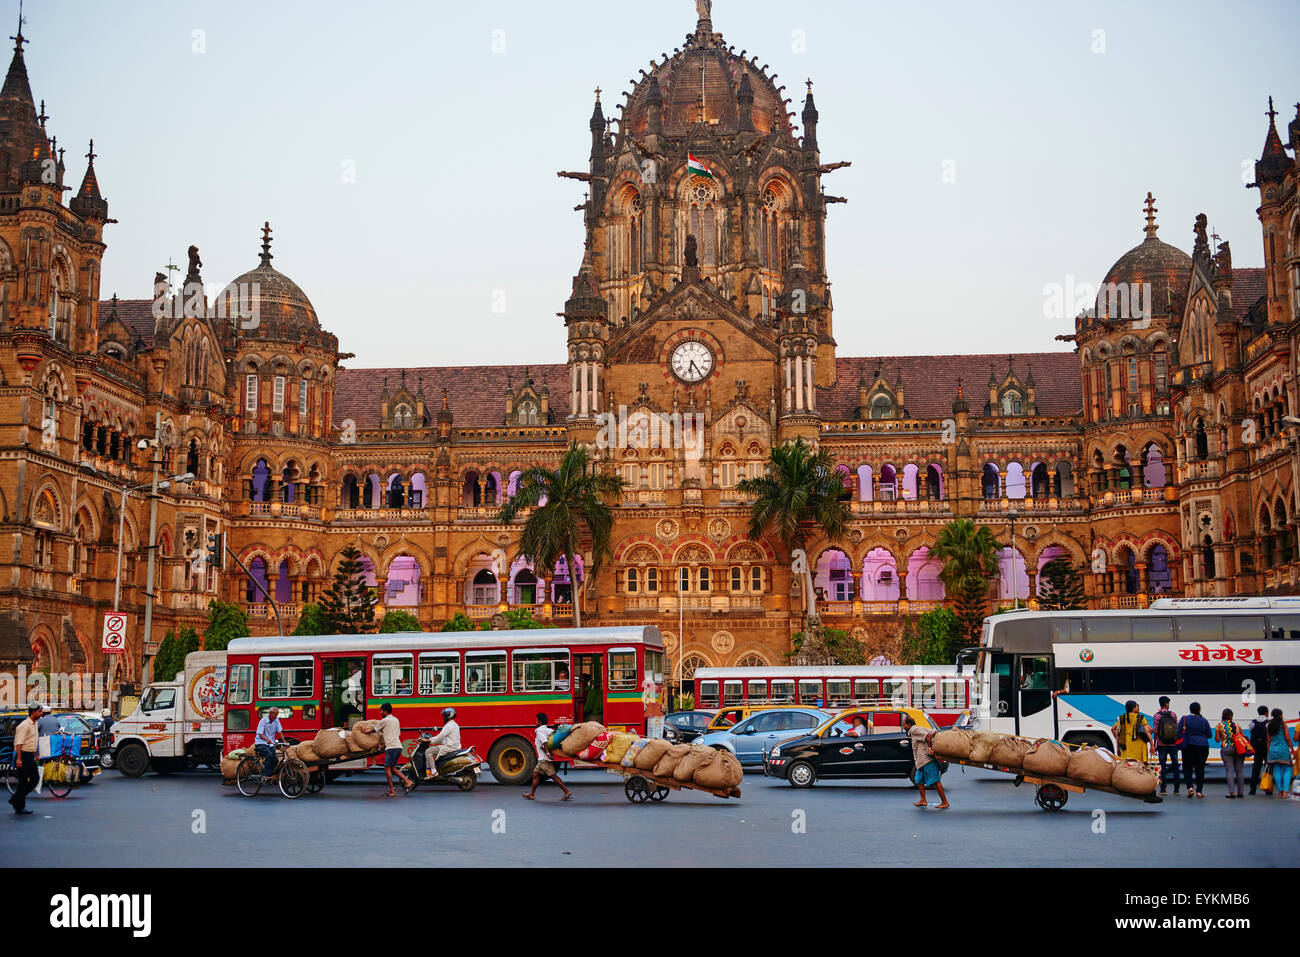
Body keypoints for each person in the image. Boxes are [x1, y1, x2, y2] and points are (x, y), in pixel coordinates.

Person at [523, 712, 572, 801]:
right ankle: (531, 795)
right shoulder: (547, 730)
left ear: (540, 722)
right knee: (535, 775)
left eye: (536, 721)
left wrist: (547, 753)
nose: (535, 722)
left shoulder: (540, 731)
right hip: (541, 760)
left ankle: (567, 792)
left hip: (544, 760)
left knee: (553, 777)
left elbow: (545, 741)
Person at [904, 714, 948, 810]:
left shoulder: (914, 730)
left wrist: (930, 749)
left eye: (904, 725)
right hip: (920, 761)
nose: (904, 727)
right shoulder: (917, 729)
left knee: (935, 780)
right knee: (919, 780)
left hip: (927, 760)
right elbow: (932, 732)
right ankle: (923, 800)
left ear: (908, 725)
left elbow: (928, 736)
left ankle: (945, 802)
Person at [8, 704, 42, 815]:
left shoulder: (35, 724)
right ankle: (19, 807)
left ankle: (15, 799)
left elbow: (33, 740)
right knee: (23, 782)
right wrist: (18, 759)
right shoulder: (24, 725)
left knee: (35, 779)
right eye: (39, 711)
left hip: (30, 755)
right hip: (23, 755)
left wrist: (36, 754)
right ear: (33, 712)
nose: (41, 713)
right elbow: (18, 743)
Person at [1177, 701, 1212, 798]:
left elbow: (1178, 731)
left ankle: (1190, 787)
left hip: (1189, 746)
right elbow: (1209, 734)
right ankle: (1199, 791)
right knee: (1200, 768)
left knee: (1187, 767)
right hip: (1203, 746)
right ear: (1199, 710)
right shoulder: (1204, 720)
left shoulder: (1184, 719)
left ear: (1190, 709)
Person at [375, 703, 410, 796]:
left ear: (385, 711)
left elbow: (374, 730)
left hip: (391, 748)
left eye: (381, 711)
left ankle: (396, 788)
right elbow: (398, 734)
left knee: (387, 768)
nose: (380, 712)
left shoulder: (384, 720)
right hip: (398, 746)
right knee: (392, 768)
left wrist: (365, 731)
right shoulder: (396, 720)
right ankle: (405, 782)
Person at [422, 708, 462, 778]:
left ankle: (434, 772)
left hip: (449, 747)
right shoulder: (454, 724)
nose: (443, 717)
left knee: (428, 751)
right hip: (454, 746)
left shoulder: (449, 725)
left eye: (444, 715)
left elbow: (440, 737)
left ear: (448, 715)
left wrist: (429, 740)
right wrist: (433, 740)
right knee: (433, 749)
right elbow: (444, 738)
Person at [1152, 696, 1180, 795]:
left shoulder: (1156, 716)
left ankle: (1163, 789)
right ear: (1167, 703)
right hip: (1173, 744)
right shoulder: (1173, 714)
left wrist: (1154, 744)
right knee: (1175, 765)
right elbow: (1177, 729)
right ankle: (1176, 789)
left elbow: (1155, 731)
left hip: (1161, 744)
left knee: (1162, 766)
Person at [1215, 708, 1246, 798]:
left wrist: (1223, 736)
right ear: (1231, 716)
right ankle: (1240, 792)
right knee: (1240, 771)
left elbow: (1217, 740)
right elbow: (1242, 737)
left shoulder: (1219, 726)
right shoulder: (1237, 725)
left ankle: (1231, 792)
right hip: (1238, 749)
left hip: (1226, 748)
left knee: (1230, 771)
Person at [1264, 708, 1294, 800]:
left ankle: (1280, 792)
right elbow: (1288, 738)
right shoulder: (1283, 724)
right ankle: (1285, 792)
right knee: (1287, 770)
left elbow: (1268, 740)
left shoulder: (1269, 725)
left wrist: (1269, 751)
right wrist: (1292, 748)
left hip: (1273, 750)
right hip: (1283, 749)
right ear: (1280, 715)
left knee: (1276, 770)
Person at [34, 706, 61, 794]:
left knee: (40, 761)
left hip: (44, 744)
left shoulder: (41, 721)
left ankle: (40, 778)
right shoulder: (56, 720)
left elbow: (35, 731)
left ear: (43, 713)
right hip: (55, 746)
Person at [254, 707, 285, 777]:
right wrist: (267, 740)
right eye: (275, 714)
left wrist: (284, 741)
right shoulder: (263, 721)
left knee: (276, 759)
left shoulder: (276, 720)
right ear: (270, 714)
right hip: (260, 743)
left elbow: (279, 732)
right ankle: (264, 775)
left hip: (270, 745)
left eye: (277, 714)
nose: (276, 716)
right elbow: (260, 734)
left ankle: (268, 774)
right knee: (269, 755)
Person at [1248, 705, 1270, 795]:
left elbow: (1251, 731)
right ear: (1266, 713)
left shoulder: (1252, 722)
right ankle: (1268, 788)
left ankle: (1253, 789)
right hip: (1266, 747)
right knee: (1268, 767)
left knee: (1256, 767)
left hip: (1256, 747)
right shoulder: (1268, 723)